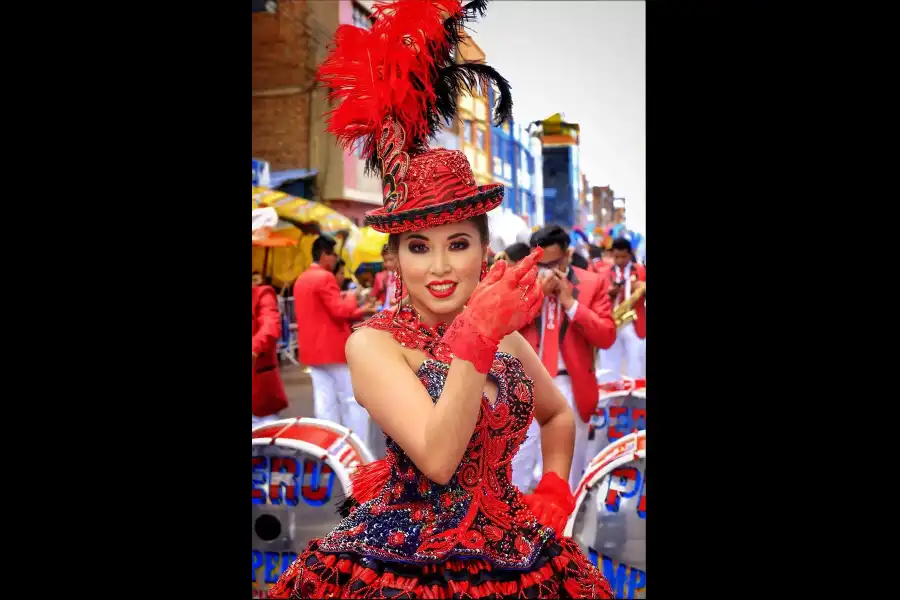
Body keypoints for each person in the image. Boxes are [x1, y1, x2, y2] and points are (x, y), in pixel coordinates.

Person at [269, 1, 613, 597]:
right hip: (403, 565)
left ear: (483, 248)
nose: (441, 266)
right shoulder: (372, 344)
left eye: (457, 243)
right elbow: (437, 457)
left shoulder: (500, 330)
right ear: (395, 258)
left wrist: (553, 493)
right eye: (418, 247)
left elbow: (557, 414)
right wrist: (476, 336)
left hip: (522, 551)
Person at [513, 225, 617, 492]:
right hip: (526, 383)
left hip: (569, 384)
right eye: (541, 264)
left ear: (568, 256)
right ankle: (515, 527)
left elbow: (606, 336)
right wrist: (535, 297)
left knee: (565, 473)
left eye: (554, 263)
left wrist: (571, 305)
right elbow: (501, 326)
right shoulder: (521, 282)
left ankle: (564, 527)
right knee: (517, 465)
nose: (547, 271)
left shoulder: (592, 283)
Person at [293, 235, 378, 443]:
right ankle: (358, 446)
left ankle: (329, 446)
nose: (334, 260)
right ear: (325, 255)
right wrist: (349, 296)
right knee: (351, 399)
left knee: (324, 400)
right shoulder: (324, 277)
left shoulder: (301, 278)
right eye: (333, 255)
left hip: (311, 350)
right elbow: (340, 311)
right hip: (332, 347)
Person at [598, 237, 646, 382]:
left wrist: (642, 286)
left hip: (634, 321)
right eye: (616, 257)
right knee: (609, 362)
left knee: (636, 362)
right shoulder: (604, 272)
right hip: (612, 321)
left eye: (623, 256)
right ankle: (610, 394)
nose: (619, 260)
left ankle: (635, 395)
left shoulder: (641, 270)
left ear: (630, 254)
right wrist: (609, 293)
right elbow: (599, 296)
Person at [252, 272, 289, 428]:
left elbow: (270, 325)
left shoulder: (263, 294)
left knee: (266, 441)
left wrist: (254, 347)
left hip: (259, 394)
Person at [371, 244, 402, 310]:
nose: (388, 264)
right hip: (385, 310)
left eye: (391, 260)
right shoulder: (380, 276)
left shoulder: (406, 276)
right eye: (385, 260)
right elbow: (373, 297)